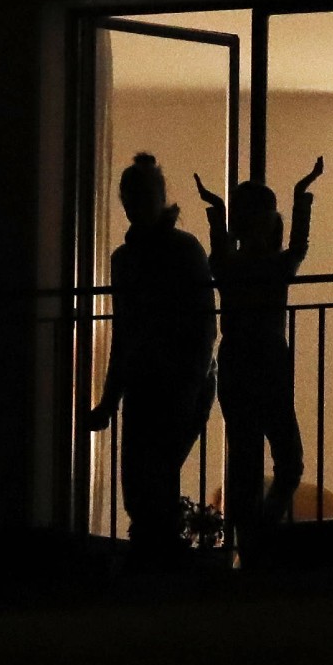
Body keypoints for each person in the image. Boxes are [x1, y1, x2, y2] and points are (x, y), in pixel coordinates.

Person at [90, 153, 217, 566]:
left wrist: (193, 381)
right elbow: (126, 333)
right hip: (149, 385)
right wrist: (110, 401)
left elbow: (203, 327)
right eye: (129, 198)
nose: (133, 206)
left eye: (139, 197)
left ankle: (155, 563)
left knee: (152, 481)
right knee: (143, 485)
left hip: (176, 383)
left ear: (159, 198)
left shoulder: (178, 252)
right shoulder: (130, 259)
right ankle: (157, 561)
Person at [194, 158, 323, 555]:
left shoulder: (228, 266)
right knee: (287, 459)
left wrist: (215, 211)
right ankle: (258, 537)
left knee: (247, 460)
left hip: (237, 367)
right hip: (267, 366)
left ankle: (249, 541)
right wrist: (302, 195)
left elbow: (221, 250)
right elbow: (298, 246)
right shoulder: (275, 265)